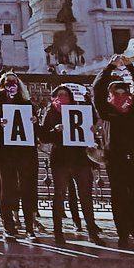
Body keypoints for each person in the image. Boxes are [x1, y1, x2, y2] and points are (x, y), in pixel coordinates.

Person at [92, 56, 134, 246]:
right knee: (119, 196)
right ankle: (123, 235)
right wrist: (109, 67)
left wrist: (130, 67)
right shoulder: (106, 111)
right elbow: (97, 89)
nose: (120, 95)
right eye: (115, 92)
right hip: (116, 158)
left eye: (123, 91)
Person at [37, 86, 103, 245]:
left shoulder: (78, 110)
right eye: (59, 95)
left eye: (65, 95)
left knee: (85, 195)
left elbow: (92, 123)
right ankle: (58, 232)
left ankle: (91, 231)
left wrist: (93, 130)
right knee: (59, 195)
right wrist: (55, 130)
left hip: (79, 158)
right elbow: (44, 136)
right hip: (60, 159)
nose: (62, 97)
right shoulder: (51, 113)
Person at [0, 72, 39, 240]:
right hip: (4, 151)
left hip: (25, 151)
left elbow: (36, 128)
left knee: (27, 189)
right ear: (2, 84)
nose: (10, 85)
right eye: (7, 82)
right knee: (7, 188)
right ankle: (8, 227)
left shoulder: (26, 102)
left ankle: (30, 227)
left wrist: (35, 121)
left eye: (14, 82)